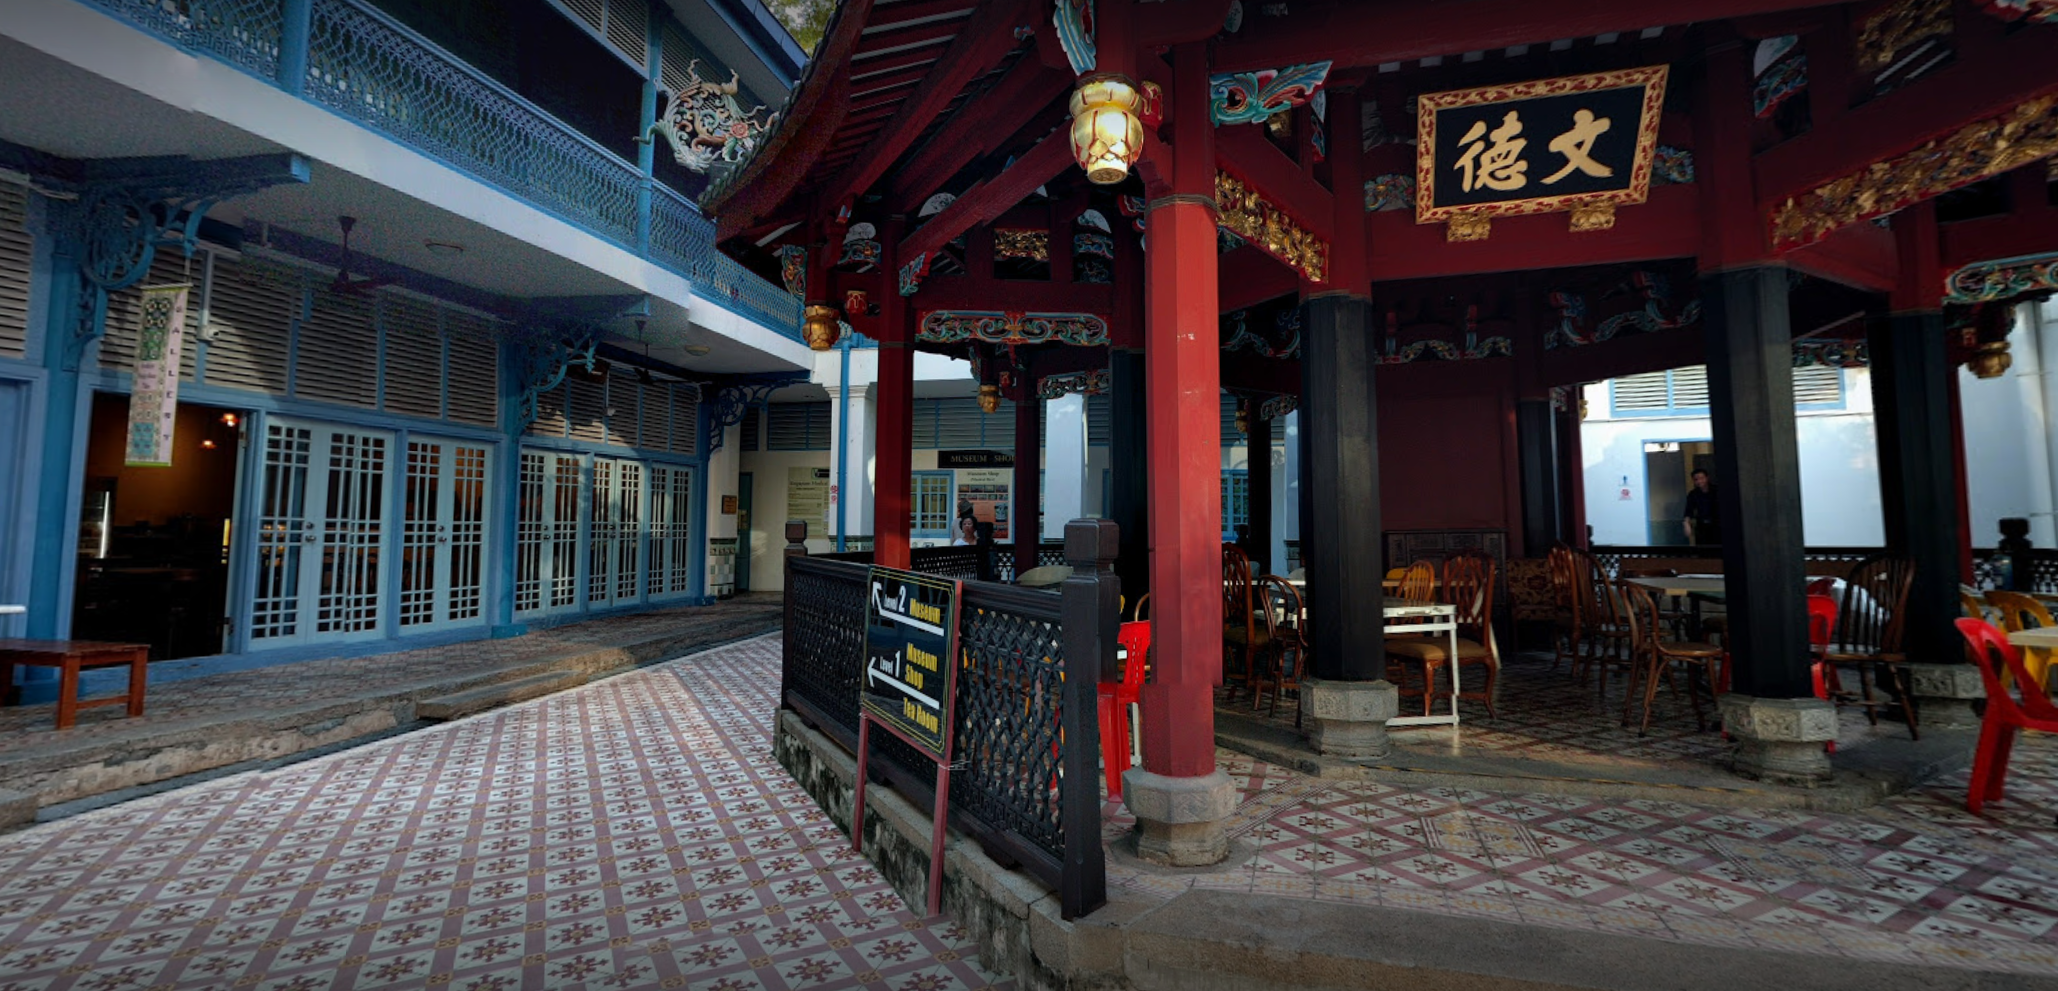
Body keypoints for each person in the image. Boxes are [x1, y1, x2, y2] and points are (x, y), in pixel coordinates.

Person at [1682, 469, 1721, 545]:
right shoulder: (1693, 494)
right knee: (1702, 551)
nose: (1699, 481)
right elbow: (1688, 510)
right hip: (1702, 527)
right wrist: (1686, 524)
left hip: (1718, 526)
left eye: (1702, 478)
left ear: (1707, 478)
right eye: (1696, 479)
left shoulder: (1717, 491)